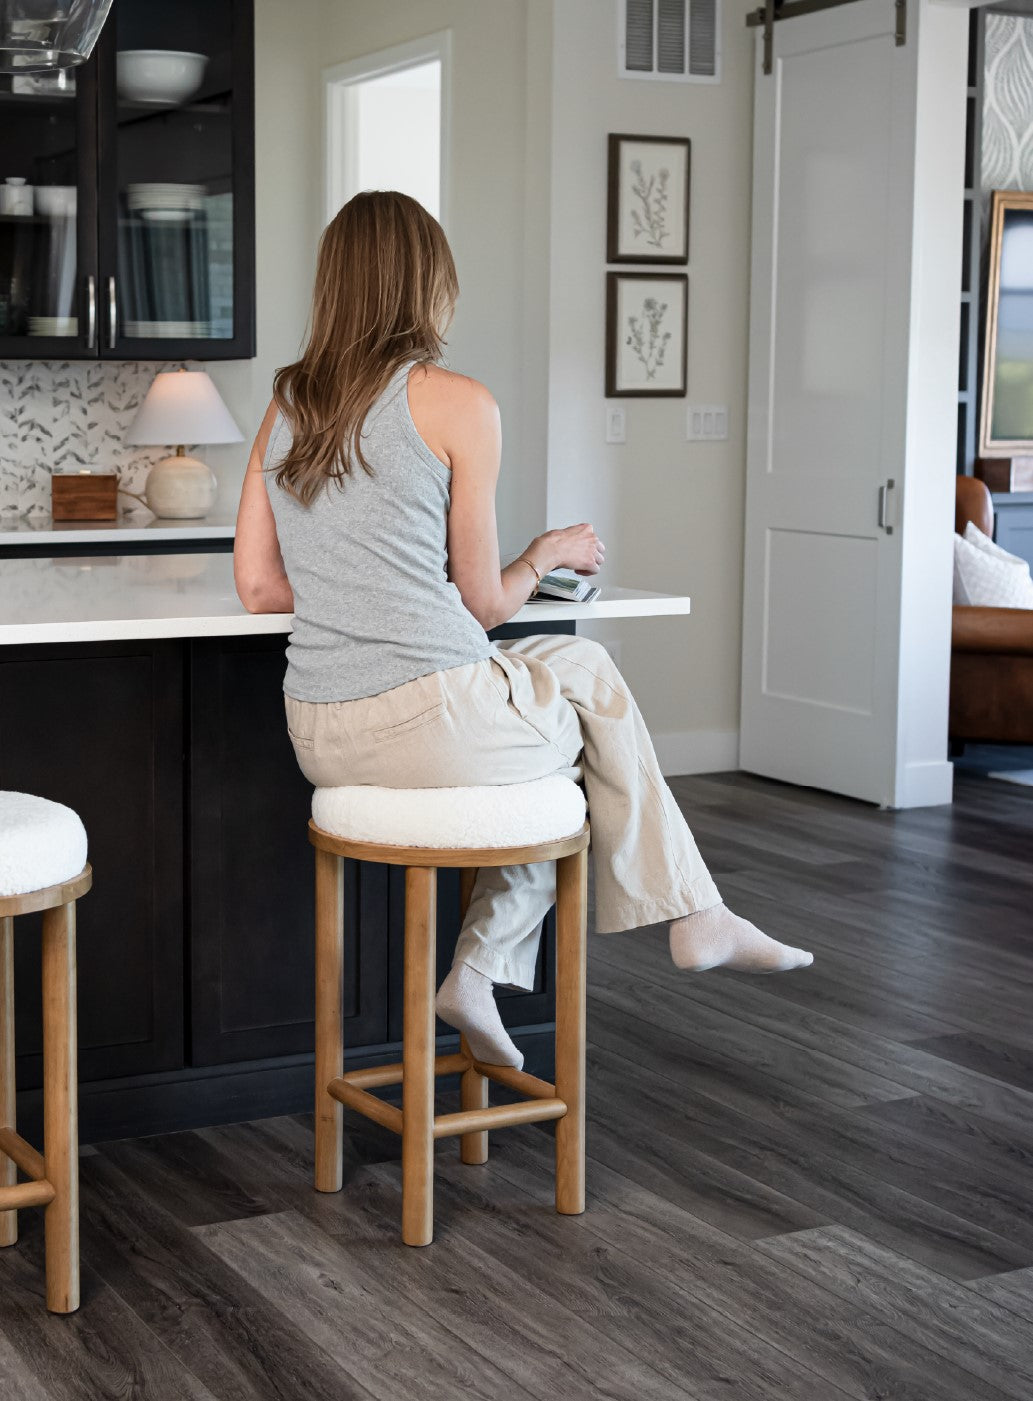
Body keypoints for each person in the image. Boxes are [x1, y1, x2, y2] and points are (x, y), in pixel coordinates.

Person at [234, 190, 811, 1071]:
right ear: (427, 283)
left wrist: (355, 583)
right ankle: (684, 918)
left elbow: (258, 586)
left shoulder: (283, 406)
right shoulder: (457, 403)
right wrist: (545, 552)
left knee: (565, 718)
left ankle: (497, 970)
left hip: (318, 728)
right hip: (430, 719)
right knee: (585, 695)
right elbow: (482, 603)